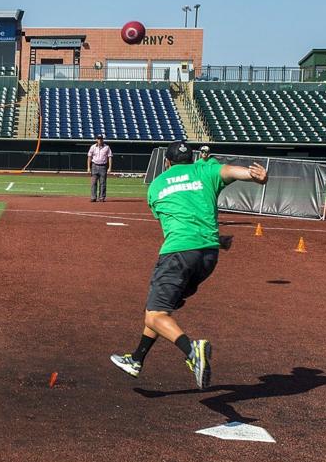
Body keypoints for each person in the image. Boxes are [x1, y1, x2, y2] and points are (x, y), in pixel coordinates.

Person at [110, 140, 268, 389]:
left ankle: (192, 351)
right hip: (208, 256)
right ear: (192, 159)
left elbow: (170, 215)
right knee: (160, 309)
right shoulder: (204, 169)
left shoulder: (157, 186)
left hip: (178, 253)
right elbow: (228, 171)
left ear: (167, 162)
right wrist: (252, 175)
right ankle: (137, 358)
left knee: (155, 314)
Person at [87, 134, 112, 202]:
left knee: (103, 183)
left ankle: (102, 197)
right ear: (96, 139)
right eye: (98, 139)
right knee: (93, 183)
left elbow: (110, 157)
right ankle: (93, 197)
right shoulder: (93, 147)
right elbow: (89, 157)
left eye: (101, 139)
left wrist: (109, 168)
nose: (100, 140)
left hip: (103, 166)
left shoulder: (107, 147)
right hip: (94, 166)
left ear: (102, 139)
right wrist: (88, 167)